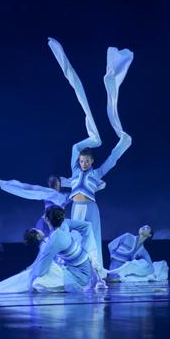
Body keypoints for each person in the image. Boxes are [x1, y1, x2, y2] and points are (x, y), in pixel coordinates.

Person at [49, 37, 133, 264]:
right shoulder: (75, 171)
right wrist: (94, 139)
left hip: (90, 207)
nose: (83, 163)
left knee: (92, 238)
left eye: (86, 161)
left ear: (91, 162)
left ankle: (96, 269)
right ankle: (72, 266)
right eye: (82, 160)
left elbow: (113, 159)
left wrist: (123, 143)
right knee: (73, 238)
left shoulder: (97, 173)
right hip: (75, 206)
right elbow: (74, 148)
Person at [0, 175, 69, 236]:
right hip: (46, 223)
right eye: (52, 182)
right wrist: (9, 185)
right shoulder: (49, 193)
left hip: (54, 223)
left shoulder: (63, 195)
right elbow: (29, 189)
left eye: (56, 182)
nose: (54, 184)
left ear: (60, 183)